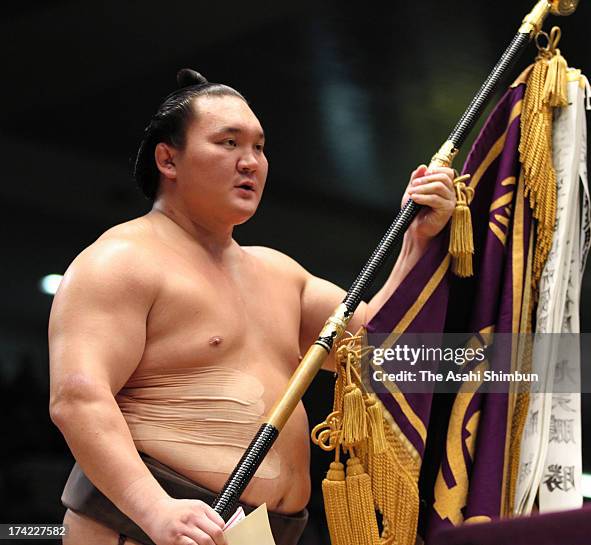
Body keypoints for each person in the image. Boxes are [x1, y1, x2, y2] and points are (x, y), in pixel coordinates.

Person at [49, 68, 457, 545]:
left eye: (259, 147)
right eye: (228, 143)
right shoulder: (122, 260)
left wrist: (416, 243)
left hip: (262, 534)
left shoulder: (279, 274)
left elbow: (386, 355)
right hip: (148, 528)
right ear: (168, 159)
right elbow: (78, 399)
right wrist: (155, 509)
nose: (251, 162)